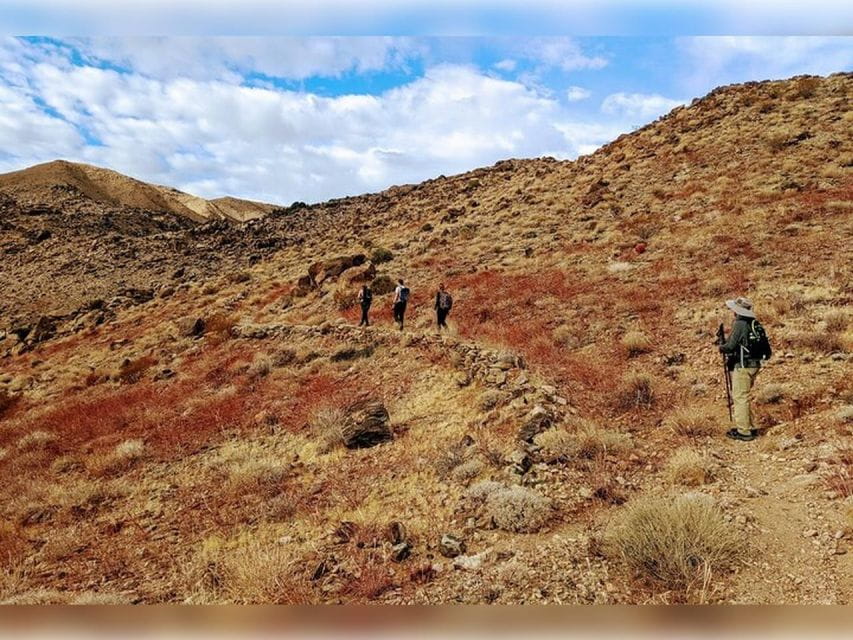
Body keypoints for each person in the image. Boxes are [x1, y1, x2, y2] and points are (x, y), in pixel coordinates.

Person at [718, 296, 772, 442]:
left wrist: (721, 346)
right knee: (744, 396)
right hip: (754, 365)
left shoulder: (740, 324)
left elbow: (730, 346)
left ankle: (744, 432)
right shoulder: (753, 322)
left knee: (740, 397)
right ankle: (749, 426)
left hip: (743, 365)